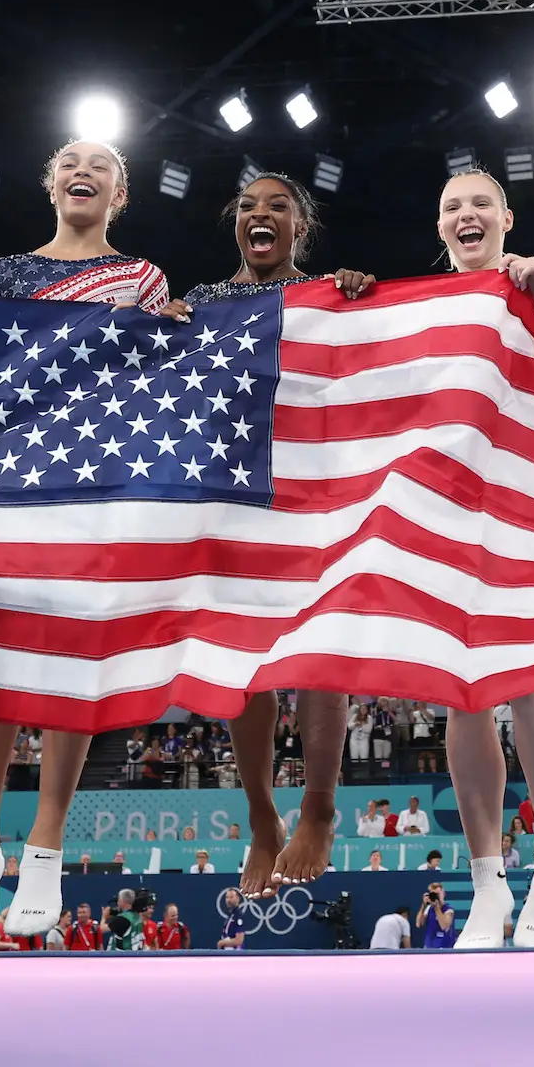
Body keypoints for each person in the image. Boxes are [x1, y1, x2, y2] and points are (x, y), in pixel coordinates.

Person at [0, 140, 172, 937]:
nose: (81, 168)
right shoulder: (5, 273)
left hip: (94, 471)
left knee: (71, 646)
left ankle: (47, 845)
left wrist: (168, 335)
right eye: (67, 158)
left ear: (120, 193)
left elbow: (151, 379)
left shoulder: (143, 278)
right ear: (50, 181)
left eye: (99, 162)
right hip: (10, 464)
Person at [153, 175, 374, 899]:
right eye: (247, 204)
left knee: (319, 655)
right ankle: (260, 819)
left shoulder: (330, 298)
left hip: (313, 489)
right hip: (231, 492)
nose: (260, 214)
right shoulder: (204, 303)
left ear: (300, 228)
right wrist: (162, 332)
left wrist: (360, 304)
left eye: (277, 206)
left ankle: (319, 807)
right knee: (239, 667)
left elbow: (373, 374)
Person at [425, 168, 534, 951]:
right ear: (441, 228)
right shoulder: (422, 303)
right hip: (444, 511)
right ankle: (486, 884)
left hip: (525, 499)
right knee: (459, 697)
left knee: (532, 679)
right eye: (451, 208)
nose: (466, 215)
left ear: (506, 216)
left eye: (478, 204)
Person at [417, 882, 456, 949]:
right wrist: (423, 905)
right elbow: (418, 924)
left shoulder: (449, 910)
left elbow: (444, 926)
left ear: (443, 894)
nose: (436, 897)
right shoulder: (429, 909)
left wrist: (437, 907)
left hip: (444, 947)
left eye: (437, 894)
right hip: (429, 946)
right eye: (434, 894)